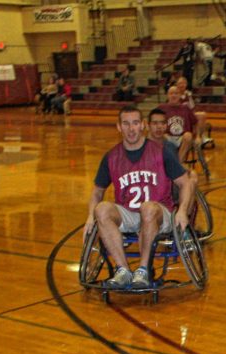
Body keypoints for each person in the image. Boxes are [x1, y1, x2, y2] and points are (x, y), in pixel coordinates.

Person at [84, 105, 191, 289]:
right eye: (126, 124)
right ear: (119, 127)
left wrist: (182, 211)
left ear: (142, 125)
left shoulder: (161, 151)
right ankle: (123, 271)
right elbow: (97, 191)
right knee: (101, 209)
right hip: (129, 213)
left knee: (148, 207)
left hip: (159, 212)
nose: (131, 128)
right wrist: (89, 216)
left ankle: (143, 270)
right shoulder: (111, 156)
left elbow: (185, 183)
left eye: (135, 123)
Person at [147, 107, 198, 216]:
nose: (159, 127)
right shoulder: (143, 147)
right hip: (152, 188)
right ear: (148, 125)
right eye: (155, 123)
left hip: (170, 185)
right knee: (188, 183)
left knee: (192, 179)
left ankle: (185, 223)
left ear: (166, 126)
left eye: (162, 123)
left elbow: (176, 166)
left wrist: (188, 170)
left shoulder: (169, 146)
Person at [159, 86, 199, 163]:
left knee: (188, 135)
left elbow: (195, 123)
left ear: (180, 95)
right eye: (171, 93)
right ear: (167, 95)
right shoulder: (161, 108)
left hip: (182, 137)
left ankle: (178, 163)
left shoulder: (185, 108)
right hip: (167, 136)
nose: (173, 95)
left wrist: (198, 136)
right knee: (161, 136)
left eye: (176, 93)